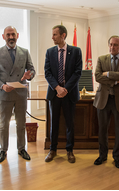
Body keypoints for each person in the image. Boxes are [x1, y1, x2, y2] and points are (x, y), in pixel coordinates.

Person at [0, 26, 35, 163]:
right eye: (8, 35)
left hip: (20, 94)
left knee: (21, 123)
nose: (11, 37)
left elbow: (32, 69)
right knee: (4, 124)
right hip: (5, 95)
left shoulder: (24, 52)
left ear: (17, 35)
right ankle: (3, 150)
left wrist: (29, 74)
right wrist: (2, 86)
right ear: (3, 36)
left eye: (13, 34)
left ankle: (21, 148)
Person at [93, 35, 119, 168]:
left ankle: (117, 158)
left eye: (116, 45)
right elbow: (98, 77)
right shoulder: (101, 59)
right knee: (102, 130)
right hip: (103, 100)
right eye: (111, 44)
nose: (112, 47)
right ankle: (102, 155)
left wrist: (109, 74)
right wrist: (117, 79)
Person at [44, 25, 82, 163]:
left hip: (69, 93)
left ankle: (69, 150)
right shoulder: (49, 52)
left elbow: (78, 72)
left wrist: (65, 89)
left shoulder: (76, 51)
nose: (52, 37)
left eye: (55, 34)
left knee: (70, 123)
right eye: (52, 34)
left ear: (63, 35)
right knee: (54, 123)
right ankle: (52, 149)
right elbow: (47, 72)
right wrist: (57, 88)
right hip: (54, 94)